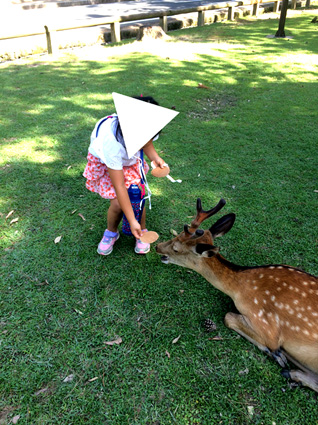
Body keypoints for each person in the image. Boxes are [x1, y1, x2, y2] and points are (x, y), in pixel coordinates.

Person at [83, 95, 167, 256]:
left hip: (129, 160)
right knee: (117, 204)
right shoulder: (110, 143)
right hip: (110, 163)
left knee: (138, 198)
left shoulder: (143, 128)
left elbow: (147, 142)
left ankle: (142, 230)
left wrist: (155, 158)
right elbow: (119, 185)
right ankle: (111, 232)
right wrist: (131, 219)